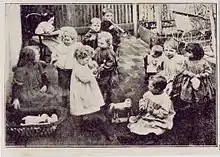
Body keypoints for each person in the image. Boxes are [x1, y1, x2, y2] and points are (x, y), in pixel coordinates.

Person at [171, 43, 215, 144]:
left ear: (196, 53)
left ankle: (198, 103)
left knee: (199, 93)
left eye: (189, 52)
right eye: (187, 52)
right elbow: (181, 69)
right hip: (189, 81)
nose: (187, 54)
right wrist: (189, 74)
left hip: (200, 81)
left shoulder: (203, 62)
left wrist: (201, 75)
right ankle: (189, 102)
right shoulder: (186, 61)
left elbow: (209, 70)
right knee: (188, 92)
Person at [70, 45, 115, 141]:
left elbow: (88, 65)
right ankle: (84, 122)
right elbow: (85, 79)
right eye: (86, 60)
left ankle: (87, 118)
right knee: (85, 103)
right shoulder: (77, 68)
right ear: (79, 58)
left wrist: (91, 64)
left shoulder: (81, 63)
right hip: (82, 90)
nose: (87, 61)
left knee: (89, 103)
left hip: (86, 89)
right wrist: (94, 72)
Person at [127, 75, 175, 141]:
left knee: (155, 127)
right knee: (139, 124)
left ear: (157, 89)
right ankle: (143, 135)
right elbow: (143, 100)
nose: (148, 87)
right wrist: (142, 106)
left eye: (150, 86)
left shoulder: (165, 99)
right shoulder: (148, 93)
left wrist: (153, 111)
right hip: (147, 115)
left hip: (159, 118)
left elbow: (164, 113)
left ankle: (150, 136)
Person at [50, 26, 82, 105]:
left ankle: (74, 99)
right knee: (63, 85)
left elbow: (81, 55)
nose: (66, 41)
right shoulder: (59, 47)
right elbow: (54, 56)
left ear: (73, 39)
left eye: (68, 40)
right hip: (62, 69)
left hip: (73, 69)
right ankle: (64, 99)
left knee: (73, 84)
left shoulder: (76, 46)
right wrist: (56, 62)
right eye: (64, 39)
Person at [93, 31, 118, 105]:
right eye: (98, 43)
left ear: (108, 43)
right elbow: (94, 56)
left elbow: (112, 62)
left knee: (107, 85)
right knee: (99, 84)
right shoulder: (98, 49)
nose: (99, 45)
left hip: (107, 72)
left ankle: (108, 99)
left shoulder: (109, 51)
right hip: (99, 70)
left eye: (102, 43)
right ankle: (100, 98)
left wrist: (104, 67)